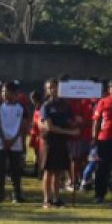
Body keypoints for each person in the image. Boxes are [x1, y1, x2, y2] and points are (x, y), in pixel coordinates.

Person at [39, 78, 78, 209]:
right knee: (48, 171)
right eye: (50, 87)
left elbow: (70, 121)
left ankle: (56, 198)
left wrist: (77, 122)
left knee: (58, 171)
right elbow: (49, 126)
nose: (53, 90)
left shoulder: (65, 105)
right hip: (50, 141)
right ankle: (46, 199)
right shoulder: (46, 106)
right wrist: (70, 132)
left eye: (55, 87)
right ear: (47, 90)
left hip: (62, 141)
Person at [0, 81, 27, 204]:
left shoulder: (21, 108)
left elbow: (23, 126)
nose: (3, 94)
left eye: (5, 91)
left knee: (15, 170)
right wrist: (4, 139)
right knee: (0, 170)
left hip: (15, 142)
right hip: (1, 142)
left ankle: (17, 194)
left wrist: (14, 139)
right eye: (2, 91)